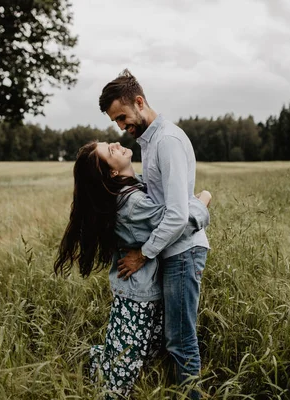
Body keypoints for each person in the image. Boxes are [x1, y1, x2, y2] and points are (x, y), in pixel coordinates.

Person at [54, 140, 212, 399]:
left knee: (143, 352)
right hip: (138, 297)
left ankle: (95, 360)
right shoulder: (132, 202)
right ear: (112, 173)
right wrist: (202, 200)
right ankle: (89, 367)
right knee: (120, 378)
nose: (116, 143)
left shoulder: (132, 187)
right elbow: (177, 223)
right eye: (110, 150)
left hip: (140, 291)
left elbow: (166, 216)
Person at [99, 70, 210, 399]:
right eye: (115, 122)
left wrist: (142, 254)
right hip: (171, 250)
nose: (121, 127)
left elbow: (175, 215)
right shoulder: (150, 143)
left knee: (180, 340)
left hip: (183, 251)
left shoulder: (168, 141)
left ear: (139, 102)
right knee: (172, 339)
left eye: (122, 117)